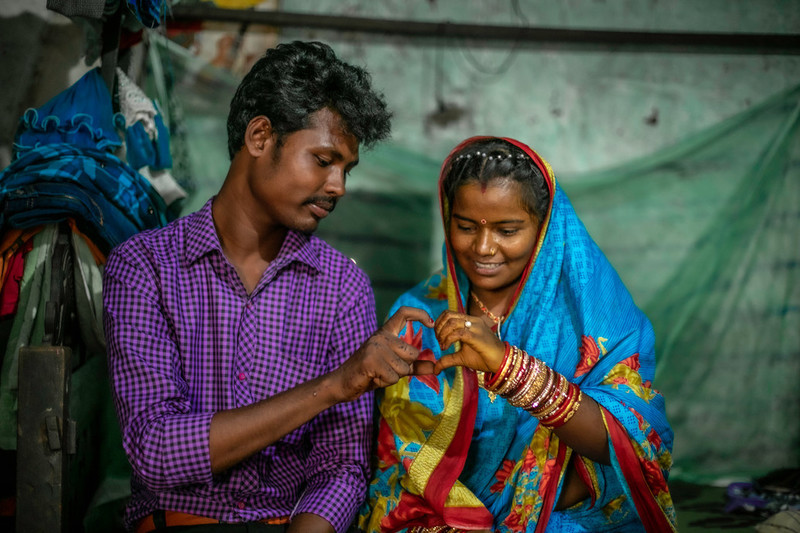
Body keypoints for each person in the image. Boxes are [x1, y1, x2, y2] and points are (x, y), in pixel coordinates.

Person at [103, 41, 434, 533]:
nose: (339, 185)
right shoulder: (145, 266)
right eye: (324, 160)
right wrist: (332, 387)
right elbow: (158, 450)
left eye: (347, 169)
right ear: (260, 136)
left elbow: (343, 468)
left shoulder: (343, 286)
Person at [359, 137, 677, 532]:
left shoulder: (591, 314)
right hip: (446, 517)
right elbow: (401, 458)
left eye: (508, 230)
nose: (484, 247)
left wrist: (508, 368)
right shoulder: (420, 314)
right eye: (464, 226)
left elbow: (634, 444)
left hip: (562, 515)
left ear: (545, 228)